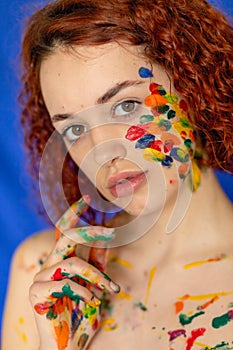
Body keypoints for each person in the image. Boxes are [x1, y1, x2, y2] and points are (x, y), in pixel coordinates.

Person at [2, 0, 233, 349]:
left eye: (125, 106)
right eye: (75, 129)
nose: (102, 150)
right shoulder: (43, 277)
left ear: (193, 85)